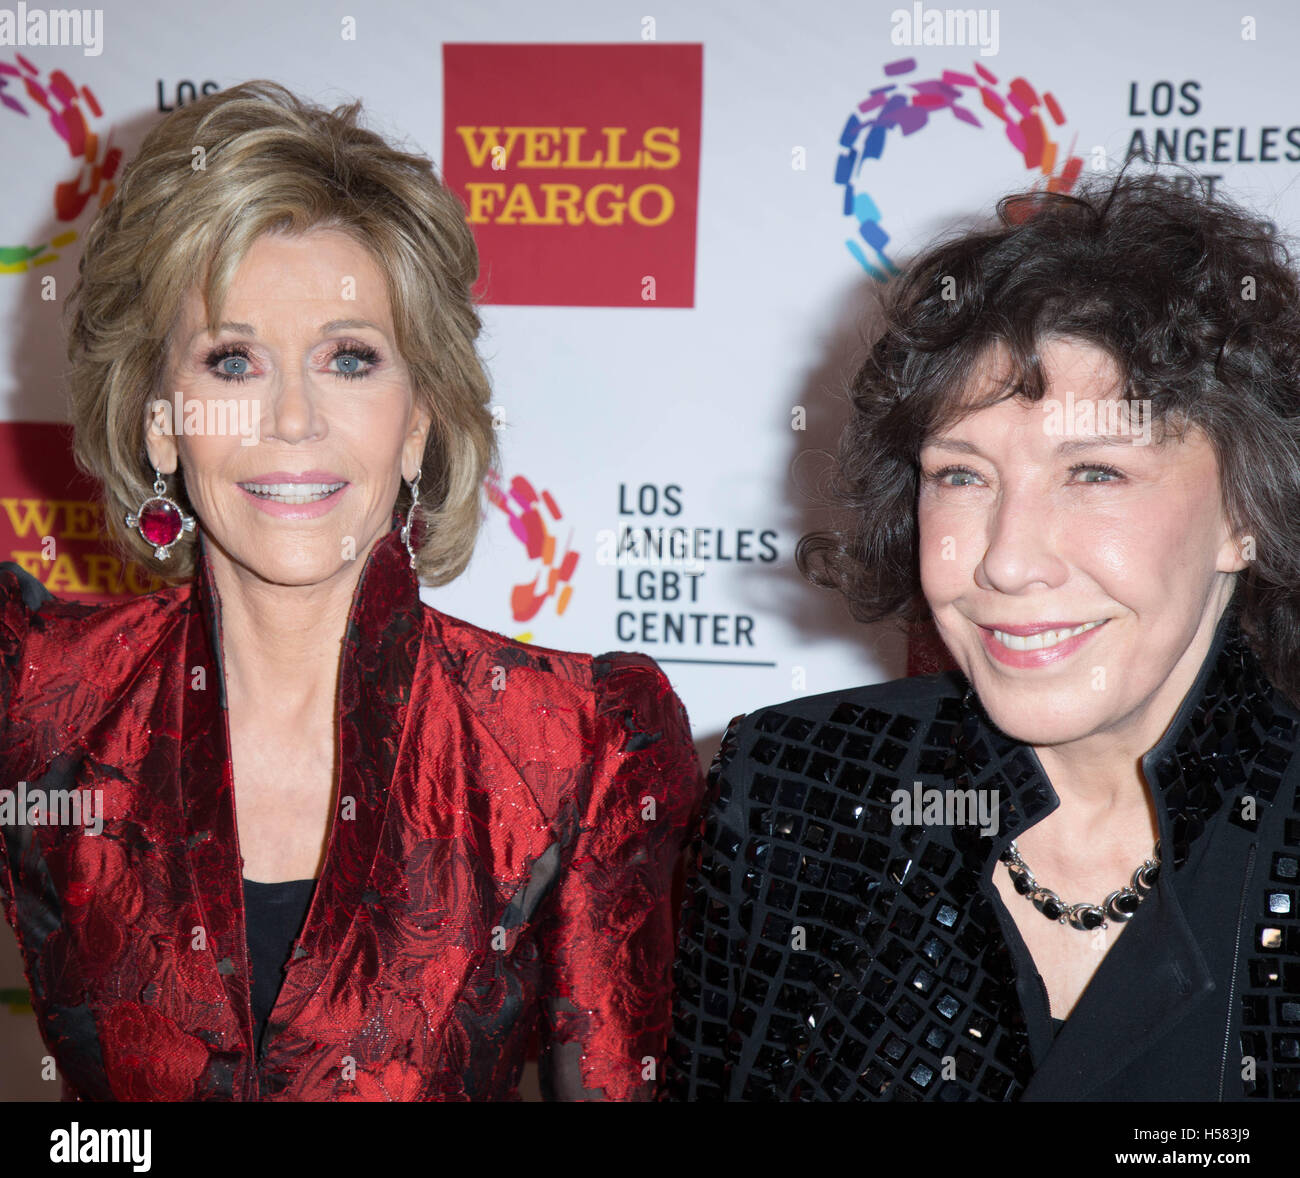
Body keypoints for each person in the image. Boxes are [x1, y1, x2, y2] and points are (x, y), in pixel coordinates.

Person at [0, 80, 702, 1101]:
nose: (292, 418)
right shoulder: (38, 692)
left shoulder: (574, 744)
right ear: (162, 420)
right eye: (233, 361)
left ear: (417, 418)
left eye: (348, 359)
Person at [665, 168, 1300, 1101]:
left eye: (1094, 474)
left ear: (1249, 512)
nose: (1006, 561)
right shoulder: (793, 787)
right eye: (960, 476)